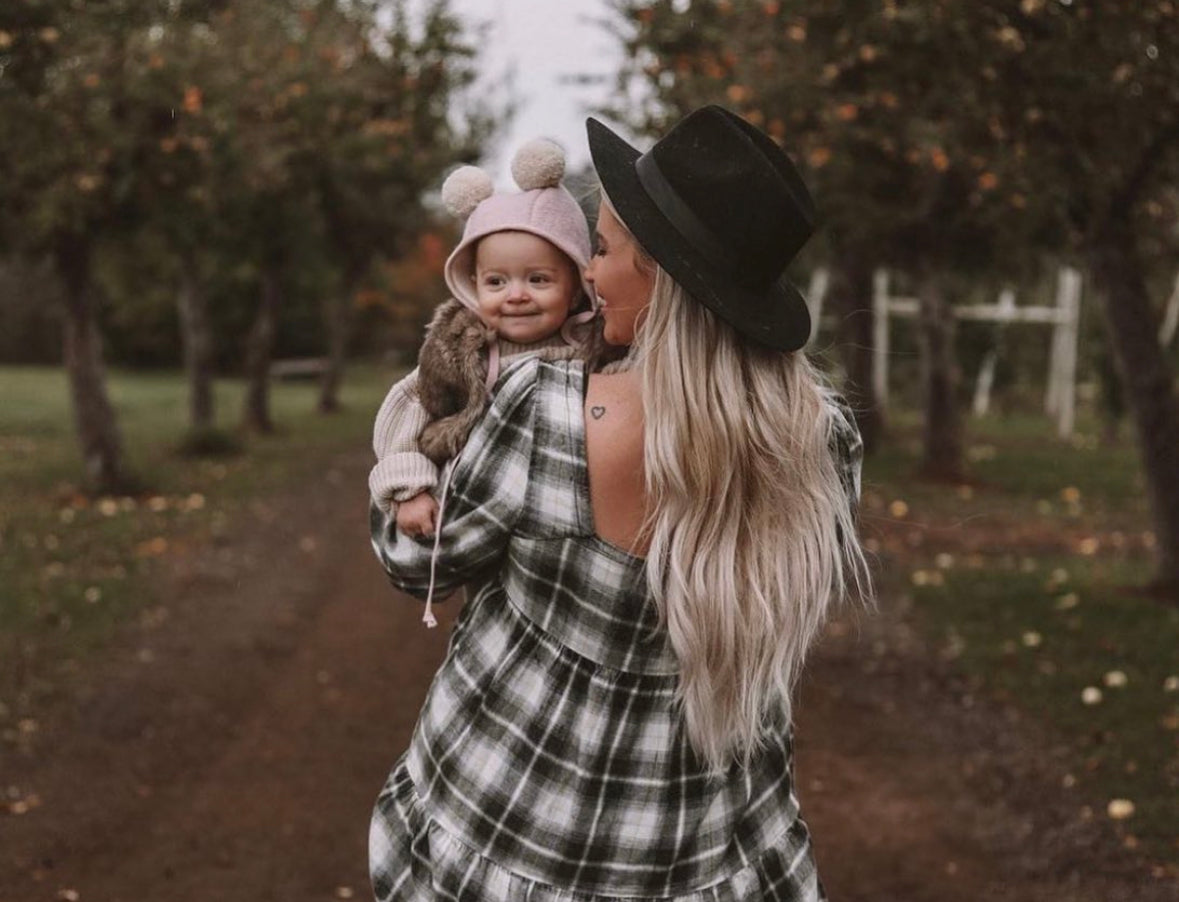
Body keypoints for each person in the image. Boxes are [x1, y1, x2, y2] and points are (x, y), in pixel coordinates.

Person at [367, 105, 871, 901]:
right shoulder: (821, 440)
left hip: (507, 828)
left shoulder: (541, 408)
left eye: (599, 250)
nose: (588, 275)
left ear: (660, 277)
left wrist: (408, 472)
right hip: (707, 849)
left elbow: (415, 563)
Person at [369, 138, 615, 608]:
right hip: (473, 506)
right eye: (496, 282)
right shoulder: (462, 354)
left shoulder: (593, 346)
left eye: (538, 279)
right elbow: (407, 411)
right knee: (487, 594)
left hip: (562, 518)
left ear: (576, 282)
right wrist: (409, 487)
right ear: (472, 284)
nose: (515, 295)